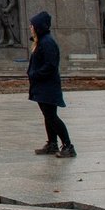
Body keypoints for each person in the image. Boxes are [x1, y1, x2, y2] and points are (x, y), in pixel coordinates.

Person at [28, 11, 75, 158]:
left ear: (39, 27)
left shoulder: (47, 42)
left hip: (47, 86)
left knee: (52, 116)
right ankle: (52, 144)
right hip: (42, 85)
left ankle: (68, 145)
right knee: (48, 116)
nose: (30, 27)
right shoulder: (41, 41)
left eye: (32, 25)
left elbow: (50, 65)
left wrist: (35, 75)